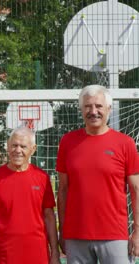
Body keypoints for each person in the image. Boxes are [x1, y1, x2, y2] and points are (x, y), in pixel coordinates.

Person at [57, 84, 139, 263]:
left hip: (115, 235)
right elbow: (62, 190)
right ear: (81, 109)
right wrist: (62, 231)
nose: (93, 111)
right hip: (75, 235)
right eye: (88, 106)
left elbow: (136, 190)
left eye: (98, 106)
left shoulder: (125, 143)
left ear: (109, 109)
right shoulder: (67, 142)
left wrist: (138, 232)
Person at [0, 127, 60, 264]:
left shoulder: (42, 178)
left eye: (23, 146)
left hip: (38, 255)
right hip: (4, 256)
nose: (18, 150)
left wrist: (55, 253)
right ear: (8, 146)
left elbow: (49, 216)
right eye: (14, 145)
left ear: (33, 149)